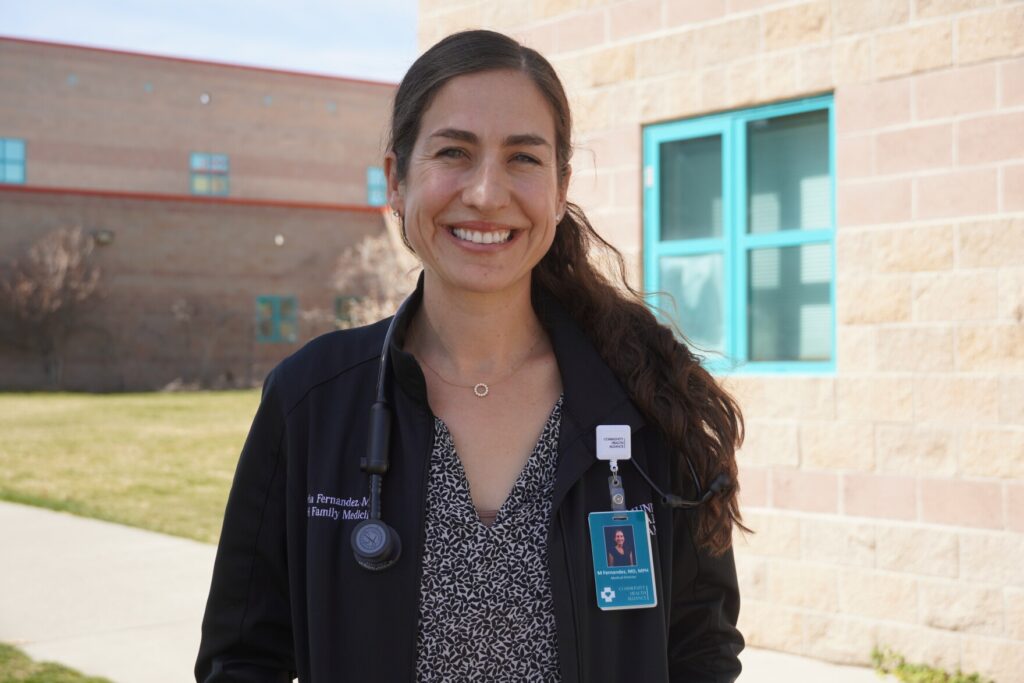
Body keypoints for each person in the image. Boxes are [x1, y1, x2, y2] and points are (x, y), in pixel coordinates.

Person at [196, 29, 745, 683]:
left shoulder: (647, 399)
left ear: (561, 184)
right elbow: (243, 658)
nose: (486, 192)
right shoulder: (310, 401)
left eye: (523, 158)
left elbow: (700, 651)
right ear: (397, 178)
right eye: (454, 152)